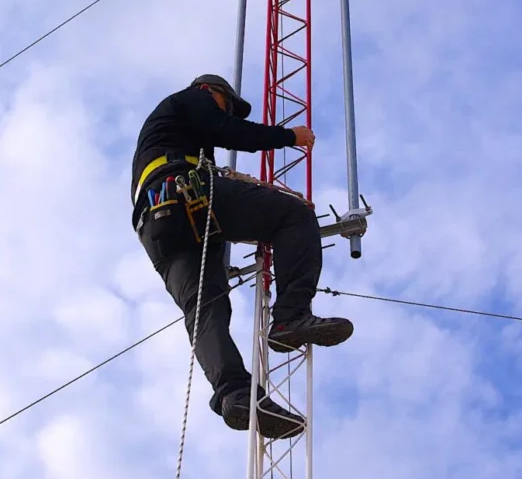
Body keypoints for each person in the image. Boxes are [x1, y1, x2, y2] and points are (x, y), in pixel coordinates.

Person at [130, 74, 354, 439]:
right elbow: (227, 130)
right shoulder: (192, 98)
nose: (229, 110)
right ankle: (290, 318)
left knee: (204, 307)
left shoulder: (166, 131)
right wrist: (288, 137)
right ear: (211, 91)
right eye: (228, 103)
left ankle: (236, 394)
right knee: (293, 215)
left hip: (155, 225)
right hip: (185, 192)